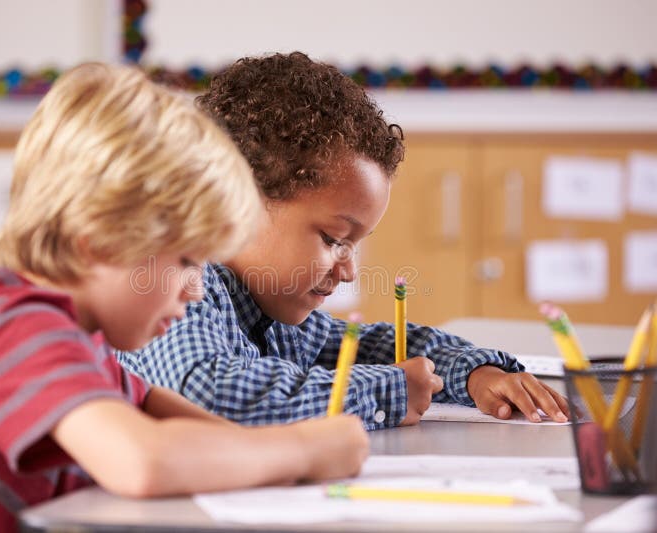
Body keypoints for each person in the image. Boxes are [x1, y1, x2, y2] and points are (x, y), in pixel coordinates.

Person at [0, 62, 368, 531]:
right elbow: (142, 462)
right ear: (99, 239)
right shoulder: (10, 325)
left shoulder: (74, 335)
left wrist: (266, 452)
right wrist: (302, 450)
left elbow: (150, 403)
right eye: (185, 261)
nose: (197, 288)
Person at [119, 52, 570, 430]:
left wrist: (470, 372)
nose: (349, 269)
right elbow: (206, 392)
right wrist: (389, 390)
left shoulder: (276, 313)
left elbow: (373, 345)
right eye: (335, 239)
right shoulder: (180, 285)